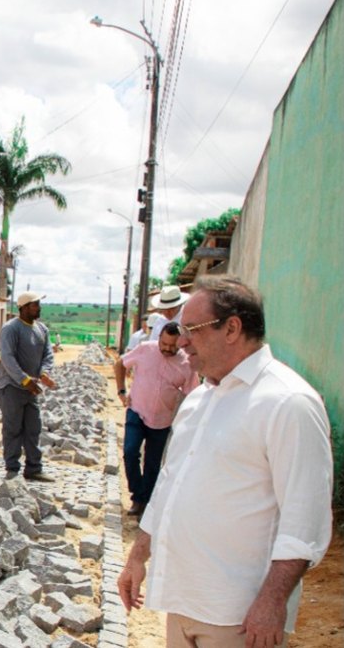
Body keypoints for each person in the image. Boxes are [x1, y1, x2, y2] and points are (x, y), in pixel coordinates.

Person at [118, 275, 332, 648]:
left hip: (238, 616)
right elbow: (171, 484)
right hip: (182, 600)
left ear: (232, 328)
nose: (181, 342)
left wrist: (272, 601)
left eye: (192, 330)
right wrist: (138, 556)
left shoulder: (288, 402)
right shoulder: (200, 399)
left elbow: (305, 519)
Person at [113, 321, 198, 517]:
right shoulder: (145, 350)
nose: (167, 349)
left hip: (162, 420)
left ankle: (147, 503)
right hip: (136, 410)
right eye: (164, 344)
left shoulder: (187, 364)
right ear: (159, 339)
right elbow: (120, 363)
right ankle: (137, 497)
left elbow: (191, 395)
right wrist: (121, 390)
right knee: (130, 452)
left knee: (153, 463)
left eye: (172, 346)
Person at [0, 291, 57, 482]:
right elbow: (7, 357)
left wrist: (44, 373)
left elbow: (48, 355)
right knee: (13, 428)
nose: (38, 308)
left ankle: (34, 468)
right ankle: (12, 469)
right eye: (34, 304)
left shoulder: (42, 330)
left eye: (38, 304)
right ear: (23, 307)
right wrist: (24, 379)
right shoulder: (11, 328)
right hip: (11, 386)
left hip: (31, 388)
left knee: (33, 427)